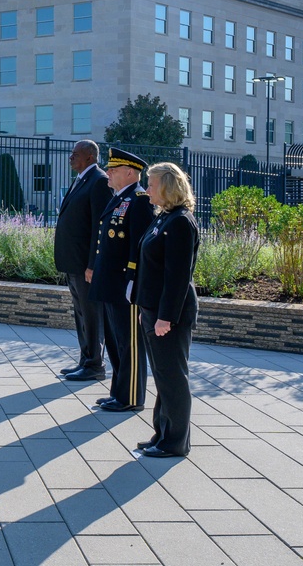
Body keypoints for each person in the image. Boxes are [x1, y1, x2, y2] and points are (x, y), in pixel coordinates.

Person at [130, 162, 200, 458]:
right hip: (152, 309)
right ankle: (162, 433)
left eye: (152, 184)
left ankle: (175, 442)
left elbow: (177, 277)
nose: (147, 189)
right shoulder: (164, 218)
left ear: (168, 186)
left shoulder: (181, 222)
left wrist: (165, 317)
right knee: (162, 376)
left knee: (172, 377)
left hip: (168, 314)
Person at [88, 148, 154, 412]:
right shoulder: (119, 198)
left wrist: (132, 280)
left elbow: (138, 246)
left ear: (130, 172)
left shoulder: (138, 200)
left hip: (124, 285)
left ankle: (131, 397)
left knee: (130, 343)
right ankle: (118, 392)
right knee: (115, 342)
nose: (109, 173)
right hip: (109, 283)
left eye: (113, 170)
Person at [55, 140, 113, 382]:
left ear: (90, 157)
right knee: (81, 313)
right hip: (74, 263)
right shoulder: (82, 178)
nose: (71, 157)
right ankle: (85, 359)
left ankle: (94, 365)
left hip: (85, 265)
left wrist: (93, 264)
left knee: (91, 315)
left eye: (75, 154)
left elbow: (99, 227)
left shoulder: (99, 181)